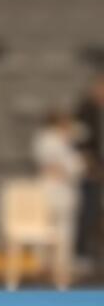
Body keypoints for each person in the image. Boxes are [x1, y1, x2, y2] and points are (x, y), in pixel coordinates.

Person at [32, 110, 85, 291]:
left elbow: (74, 166)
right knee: (50, 230)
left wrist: (75, 167)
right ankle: (49, 267)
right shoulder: (48, 140)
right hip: (53, 190)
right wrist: (73, 168)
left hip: (63, 192)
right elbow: (61, 166)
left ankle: (59, 268)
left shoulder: (64, 141)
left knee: (63, 231)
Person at [73, 72, 104, 265]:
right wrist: (91, 165)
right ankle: (82, 251)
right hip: (91, 170)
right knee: (89, 209)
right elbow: (80, 142)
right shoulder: (85, 110)